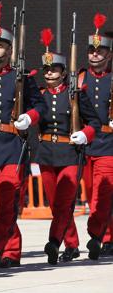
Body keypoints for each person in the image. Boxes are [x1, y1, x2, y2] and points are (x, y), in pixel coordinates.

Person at [0, 2, 47, 270]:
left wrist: (29, 117)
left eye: (0, 46)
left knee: (8, 198)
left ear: (9, 50)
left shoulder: (22, 77)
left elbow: (39, 105)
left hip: (11, 144)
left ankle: (9, 249)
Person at [34, 28, 99, 264]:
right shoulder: (38, 94)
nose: (49, 73)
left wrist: (85, 134)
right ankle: (71, 245)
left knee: (65, 201)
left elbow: (94, 123)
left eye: (54, 69)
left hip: (70, 154)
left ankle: (53, 241)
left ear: (63, 72)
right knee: (56, 204)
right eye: (46, 69)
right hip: (46, 155)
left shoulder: (76, 95)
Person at [81, 14, 113, 260]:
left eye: (99, 51)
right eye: (91, 51)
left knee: (102, 195)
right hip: (84, 144)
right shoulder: (80, 78)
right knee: (92, 191)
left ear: (108, 55)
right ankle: (106, 235)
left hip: (109, 143)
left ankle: (99, 237)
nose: (95, 55)